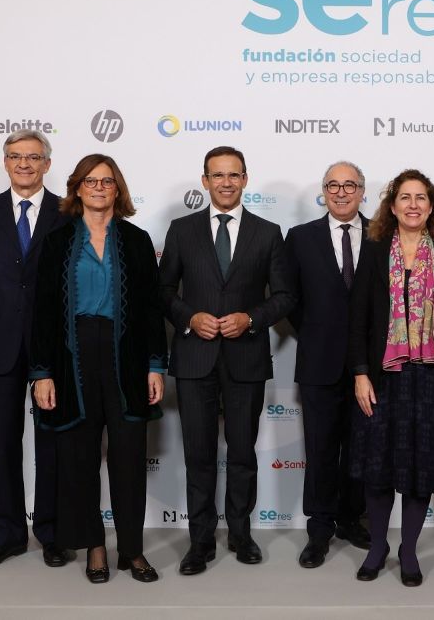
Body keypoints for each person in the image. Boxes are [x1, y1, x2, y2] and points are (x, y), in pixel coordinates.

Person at [29, 154, 166, 584]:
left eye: (107, 181)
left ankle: (133, 550)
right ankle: (94, 547)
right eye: (91, 181)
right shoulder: (55, 241)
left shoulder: (138, 240)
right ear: (77, 188)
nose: (99, 187)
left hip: (126, 358)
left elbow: (150, 311)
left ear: (118, 189)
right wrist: (41, 373)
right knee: (79, 459)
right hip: (72, 360)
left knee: (128, 458)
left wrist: (155, 366)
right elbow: (42, 313)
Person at [159, 145, 295, 575]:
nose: (225, 182)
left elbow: (287, 296)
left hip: (246, 359)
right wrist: (189, 317)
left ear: (245, 179)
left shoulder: (269, 232)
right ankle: (199, 542)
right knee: (198, 454)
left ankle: (240, 533)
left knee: (242, 453)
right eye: (217, 175)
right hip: (194, 357)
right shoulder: (181, 231)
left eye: (233, 175)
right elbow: (162, 292)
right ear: (204, 181)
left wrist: (251, 318)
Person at [348, 169, 434, 587]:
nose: (413, 204)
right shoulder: (374, 251)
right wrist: (361, 375)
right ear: (393, 205)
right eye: (405, 197)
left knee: (421, 468)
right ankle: (378, 546)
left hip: (431, 378)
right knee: (379, 467)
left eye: (421, 197)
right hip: (384, 377)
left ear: (432, 206)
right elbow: (359, 320)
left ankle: (408, 550)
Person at [0, 129, 69, 569]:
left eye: (33, 157)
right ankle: (8, 535)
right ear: (5, 162)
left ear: (47, 164)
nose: (24, 164)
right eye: (15, 156)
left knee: (51, 444)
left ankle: (52, 533)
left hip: (51, 350)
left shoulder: (66, 211)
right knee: (2, 444)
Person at [284, 161, 372, 569]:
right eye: (333, 186)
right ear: (323, 191)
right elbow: (291, 300)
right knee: (320, 450)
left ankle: (351, 519)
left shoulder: (383, 235)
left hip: (370, 368)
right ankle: (319, 529)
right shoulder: (300, 238)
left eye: (349, 185)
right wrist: (320, 335)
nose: (341, 192)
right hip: (319, 363)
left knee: (360, 449)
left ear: (362, 191)